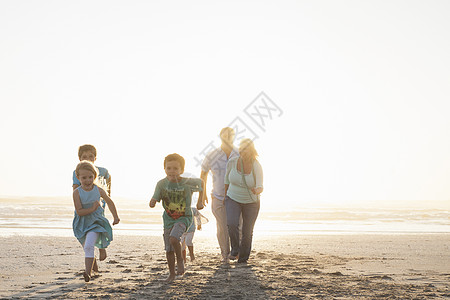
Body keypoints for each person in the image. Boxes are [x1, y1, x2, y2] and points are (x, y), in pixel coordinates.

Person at [149, 153, 205, 282]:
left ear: (181, 170)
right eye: (169, 168)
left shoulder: (187, 182)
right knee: (169, 249)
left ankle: (180, 259)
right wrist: (152, 201)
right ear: (164, 169)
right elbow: (156, 196)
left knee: (174, 238)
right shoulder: (161, 184)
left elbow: (201, 182)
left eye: (175, 168)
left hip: (184, 217)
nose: (172, 171)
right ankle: (172, 274)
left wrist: (200, 201)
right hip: (168, 219)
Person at [72, 160, 120, 282]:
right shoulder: (76, 193)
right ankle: (101, 248)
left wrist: (115, 217)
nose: (88, 180)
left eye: (90, 177)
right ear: (78, 178)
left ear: (95, 176)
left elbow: (109, 201)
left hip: (96, 222)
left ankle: (87, 273)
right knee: (86, 247)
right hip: (81, 223)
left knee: (88, 246)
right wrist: (93, 208)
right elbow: (79, 211)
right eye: (84, 178)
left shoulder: (98, 190)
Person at [200, 127, 239, 263]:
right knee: (222, 226)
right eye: (225, 135)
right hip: (217, 196)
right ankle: (225, 254)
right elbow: (203, 174)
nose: (228, 137)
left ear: (234, 137)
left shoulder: (240, 153)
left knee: (236, 226)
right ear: (221, 136)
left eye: (231, 135)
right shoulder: (212, 154)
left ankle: (236, 252)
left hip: (237, 197)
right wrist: (202, 194)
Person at [224, 138, 263, 263]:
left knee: (247, 231)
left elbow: (260, 186)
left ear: (251, 151)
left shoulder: (256, 165)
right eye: (241, 149)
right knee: (232, 224)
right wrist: (225, 196)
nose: (243, 152)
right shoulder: (232, 162)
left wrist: (257, 190)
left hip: (251, 202)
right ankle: (235, 249)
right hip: (232, 198)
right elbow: (226, 181)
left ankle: (243, 258)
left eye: (246, 149)